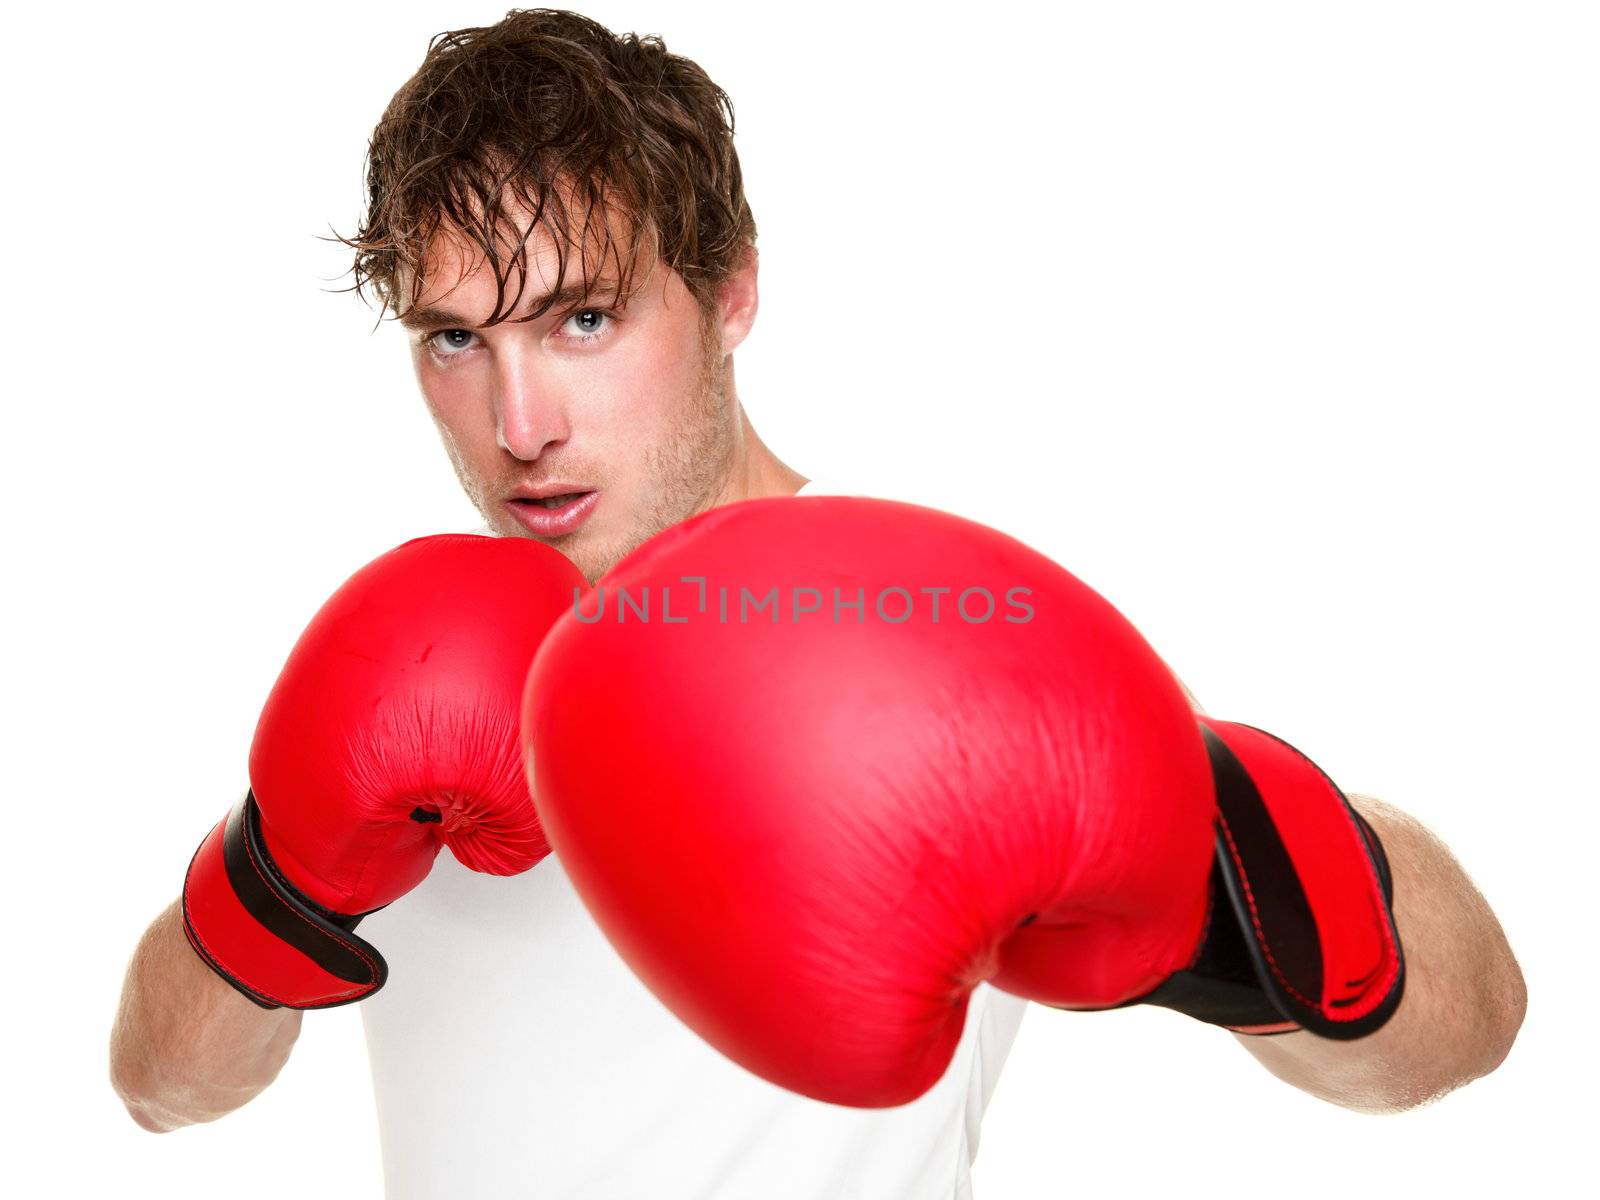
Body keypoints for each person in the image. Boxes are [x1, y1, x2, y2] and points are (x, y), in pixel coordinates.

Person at [109, 9, 1526, 1197]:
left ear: (729, 293)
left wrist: (1205, 878)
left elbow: (1465, 1031)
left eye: (582, 319)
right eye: (456, 340)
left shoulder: (907, 630)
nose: (518, 420)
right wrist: (282, 875)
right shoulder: (420, 653)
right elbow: (160, 1088)